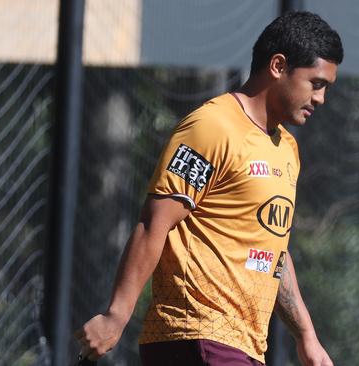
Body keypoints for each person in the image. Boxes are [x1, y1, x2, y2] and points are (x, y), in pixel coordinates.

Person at [74, 10, 343, 366]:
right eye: (316, 83)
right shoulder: (211, 127)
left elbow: (273, 250)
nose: (321, 98)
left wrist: (306, 336)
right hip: (195, 334)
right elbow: (155, 222)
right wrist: (116, 315)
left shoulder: (287, 150)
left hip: (240, 347)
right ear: (278, 66)